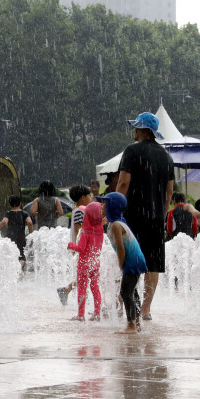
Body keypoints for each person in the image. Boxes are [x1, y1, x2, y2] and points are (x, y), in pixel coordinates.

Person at [116, 112, 174, 321]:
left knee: (128, 259)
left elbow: (123, 183)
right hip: (156, 218)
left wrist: (115, 210)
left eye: (135, 127)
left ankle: (123, 304)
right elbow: (169, 191)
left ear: (142, 130)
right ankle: (147, 309)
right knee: (153, 263)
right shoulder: (166, 156)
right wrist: (162, 213)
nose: (133, 130)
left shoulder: (131, 151)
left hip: (133, 215)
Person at [98, 192, 147, 334]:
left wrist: (121, 264)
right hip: (136, 259)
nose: (102, 206)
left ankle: (131, 325)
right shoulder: (117, 223)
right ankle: (136, 322)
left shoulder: (116, 226)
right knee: (132, 291)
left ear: (113, 206)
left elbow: (120, 247)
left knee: (125, 292)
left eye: (105, 203)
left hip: (131, 261)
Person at [67, 202, 104, 321]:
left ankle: (81, 315)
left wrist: (71, 245)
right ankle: (97, 314)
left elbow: (81, 248)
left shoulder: (85, 232)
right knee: (95, 288)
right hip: (95, 263)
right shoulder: (100, 230)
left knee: (82, 289)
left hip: (84, 264)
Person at [57, 185, 92, 305]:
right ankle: (82, 301)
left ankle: (66, 290)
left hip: (81, 247)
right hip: (81, 247)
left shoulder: (80, 209)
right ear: (83, 197)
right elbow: (80, 228)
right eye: (89, 195)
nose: (91, 197)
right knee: (86, 274)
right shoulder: (80, 210)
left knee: (86, 274)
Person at [0, 195, 33, 268]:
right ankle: (20, 268)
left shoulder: (8, 213)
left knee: (10, 255)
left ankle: (12, 270)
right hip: (21, 238)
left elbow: (4, 222)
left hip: (10, 237)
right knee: (21, 256)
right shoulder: (24, 213)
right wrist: (30, 234)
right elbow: (30, 222)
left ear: (9, 205)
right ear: (20, 204)